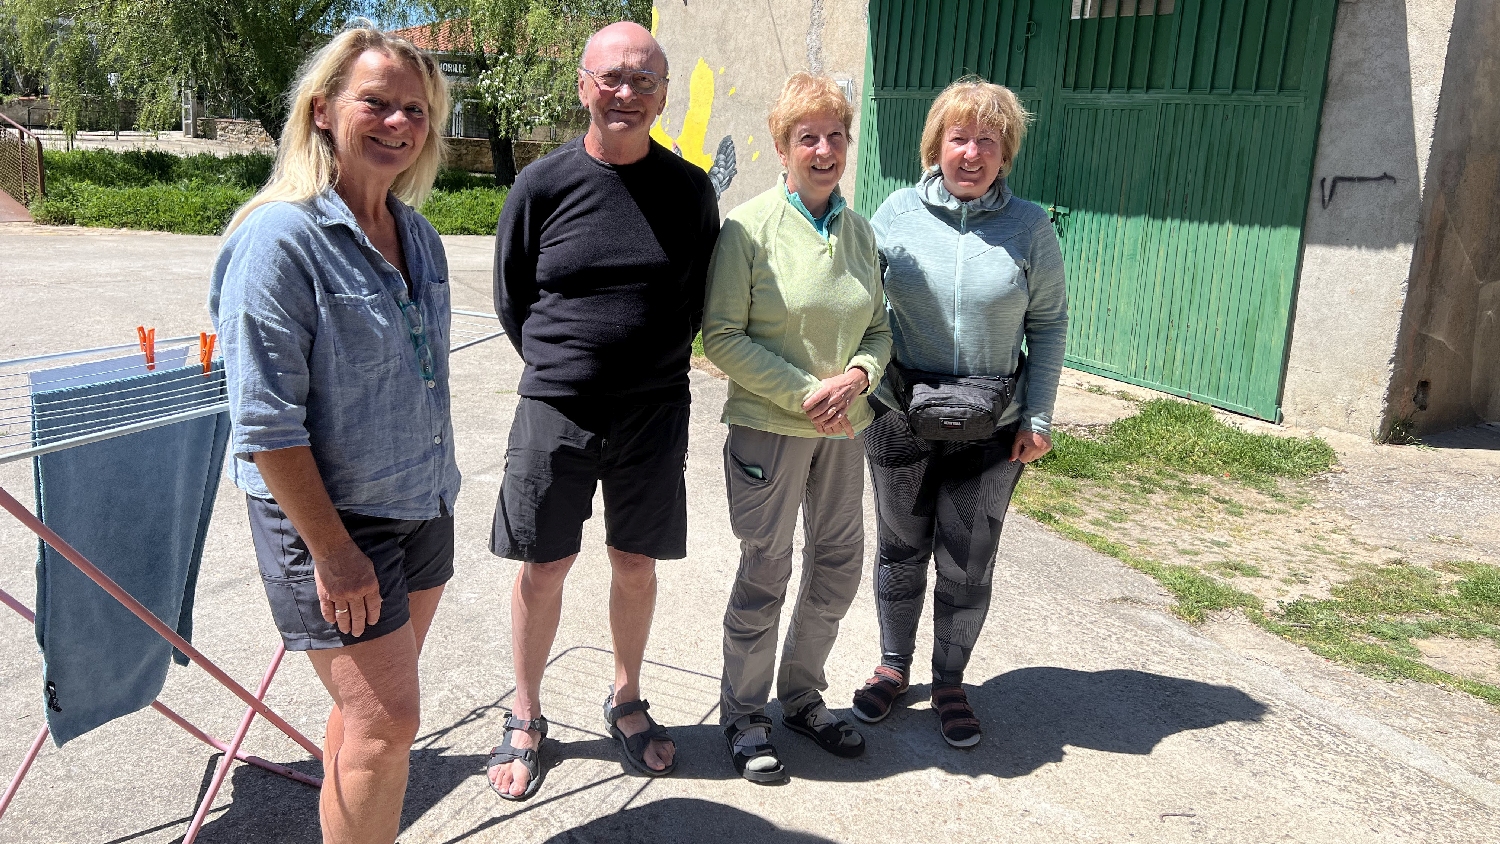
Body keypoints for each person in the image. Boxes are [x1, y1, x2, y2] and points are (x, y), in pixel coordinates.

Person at [209, 25, 456, 844]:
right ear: (322, 111)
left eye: (414, 110)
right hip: (333, 524)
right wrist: (334, 551)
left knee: (365, 721)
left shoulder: (415, 233)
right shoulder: (278, 239)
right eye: (376, 103)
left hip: (421, 506)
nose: (398, 123)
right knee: (387, 727)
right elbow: (264, 421)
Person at [487, 21, 720, 800]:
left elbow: (694, 301)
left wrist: (641, 363)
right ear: (584, 86)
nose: (627, 93)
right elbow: (513, 297)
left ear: (662, 96)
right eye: (613, 78)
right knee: (543, 563)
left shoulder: (690, 190)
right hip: (557, 406)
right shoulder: (542, 186)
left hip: (654, 409)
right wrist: (569, 367)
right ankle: (526, 713)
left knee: (635, 562)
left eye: (645, 81)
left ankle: (626, 696)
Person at [850, 76, 1068, 748]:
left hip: (993, 429)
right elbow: (857, 304)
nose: (972, 153)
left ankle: (949, 681)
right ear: (935, 145)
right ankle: (893, 665)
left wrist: (1037, 415)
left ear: (1006, 154)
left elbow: (1051, 323)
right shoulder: (892, 217)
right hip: (899, 419)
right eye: (959, 137)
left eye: (988, 141)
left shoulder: (1030, 228)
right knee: (899, 549)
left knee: (968, 564)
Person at [704, 72, 892, 783]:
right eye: (806, 137)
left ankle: (802, 694)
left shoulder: (858, 229)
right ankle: (744, 713)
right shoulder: (748, 229)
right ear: (782, 147)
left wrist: (859, 378)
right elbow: (721, 335)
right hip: (770, 431)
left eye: (835, 135)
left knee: (839, 565)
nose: (823, 149)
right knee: (766, 570)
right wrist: (806, 392)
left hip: (845, 431)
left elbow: (878, 328)